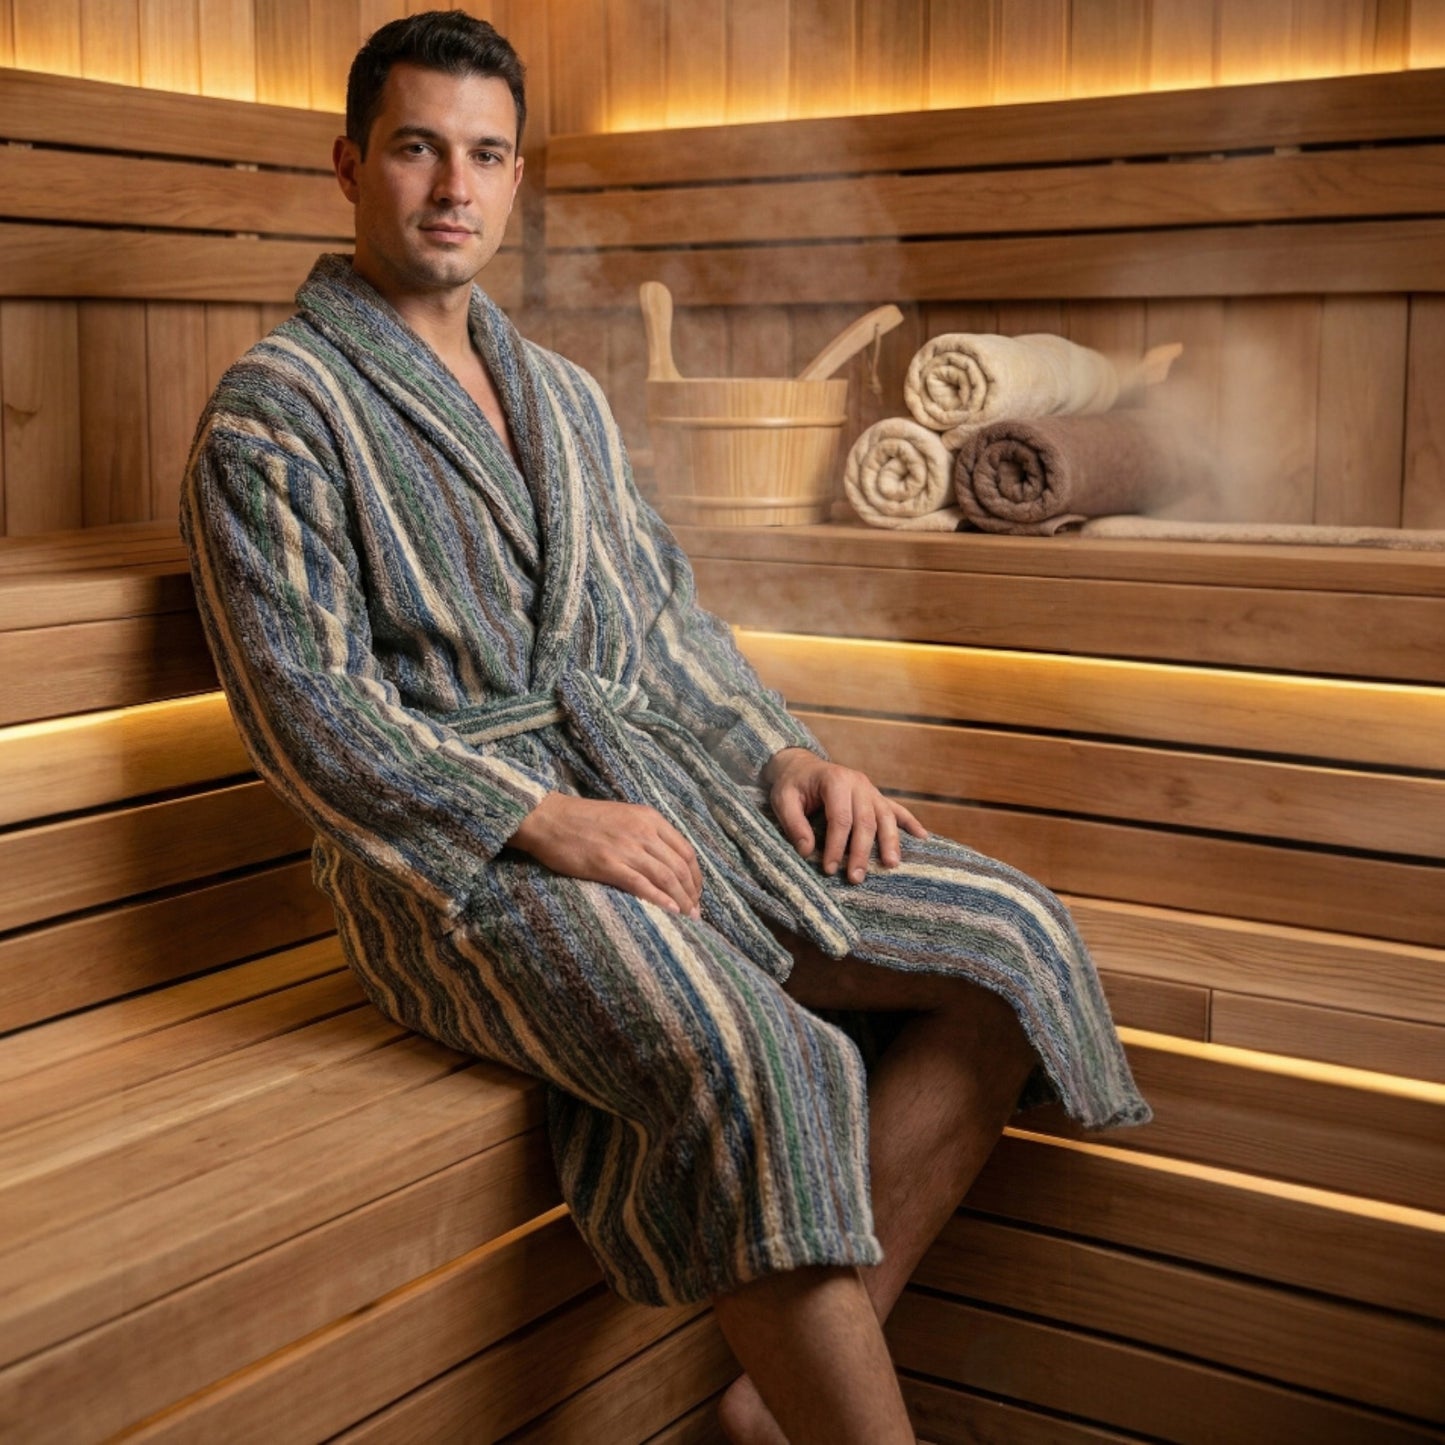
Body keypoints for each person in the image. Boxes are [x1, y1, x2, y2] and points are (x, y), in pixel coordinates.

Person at [181, 12, 1149, 1443]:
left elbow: (667, 626)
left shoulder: (562, 397)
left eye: (486, 155)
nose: (453, 186)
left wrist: (786, 754)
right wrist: (539, 818)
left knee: (1009, 943)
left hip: (659, 791)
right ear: (350, 166)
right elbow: (305, 712)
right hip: (449, 871)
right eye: (417, 148)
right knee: (763, 1053)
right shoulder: (275, 416)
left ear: (517, 178)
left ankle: (777, 1400)